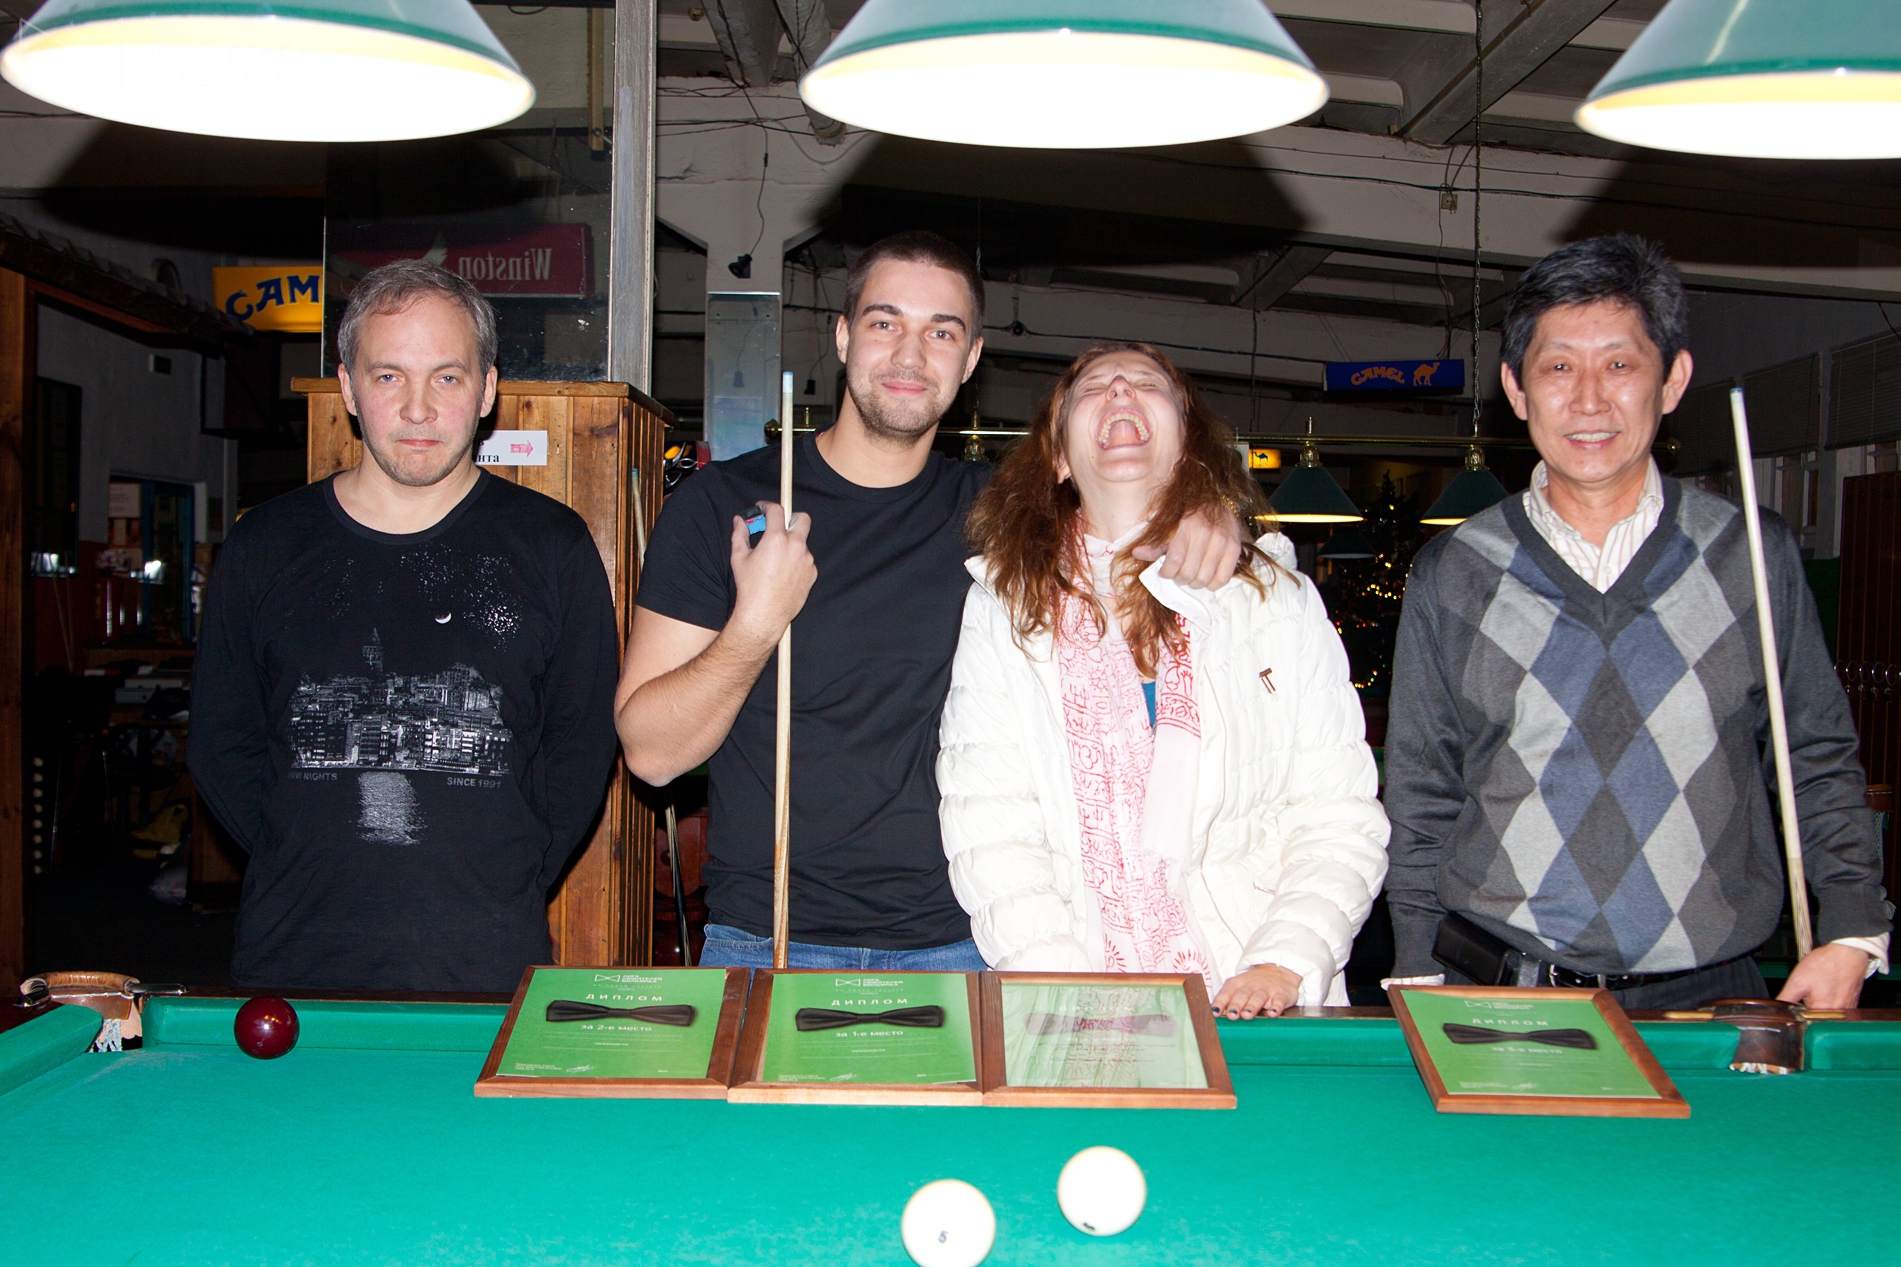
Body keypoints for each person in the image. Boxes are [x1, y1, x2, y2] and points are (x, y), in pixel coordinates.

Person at [618, 231, 1244, 970]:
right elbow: (651, 755)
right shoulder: (730, 504)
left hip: (969, 942)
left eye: (941, 332)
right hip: (766, 938)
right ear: (844, 337)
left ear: (970, 359)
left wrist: (1209, 510)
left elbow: (1134, 510)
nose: (910, 355)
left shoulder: (1004, 516)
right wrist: (756, 621)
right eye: (885, 323)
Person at [1383, 234, 1891, 1010]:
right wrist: (1418, 962)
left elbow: (1815, 755)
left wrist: (1852, 929)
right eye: (1558, 367)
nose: (1588, 399)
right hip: (1503, 991)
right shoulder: (1453, 571)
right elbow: (1420, 791)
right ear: (1516, 389)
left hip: (1709, 998)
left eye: (1618, 364)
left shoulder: (1749, 554)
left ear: (1672, 379)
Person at [190, 260, 620, 992]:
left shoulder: (553, 545)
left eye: (447, 377)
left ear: (487, 388)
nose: (418, 409)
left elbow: (580, 750)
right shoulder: (264, 544)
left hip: (486, 962)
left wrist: (504, 870)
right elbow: (221, 745)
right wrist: (301, 856)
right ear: (348, 387)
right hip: (294, 960)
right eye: (388, 376)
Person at [936, 342, 1390, 1018]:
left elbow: (1336, 811)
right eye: (1094, 387)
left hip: (1260, 990)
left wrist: (1284, 959)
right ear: (1060, 458)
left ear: (1185, 445)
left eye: (1146, 383)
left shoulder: (1273, 597)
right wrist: (1058, 979)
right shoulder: (1005, 604)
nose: (1120, 389)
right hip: (1077, 994)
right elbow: (992, 824)